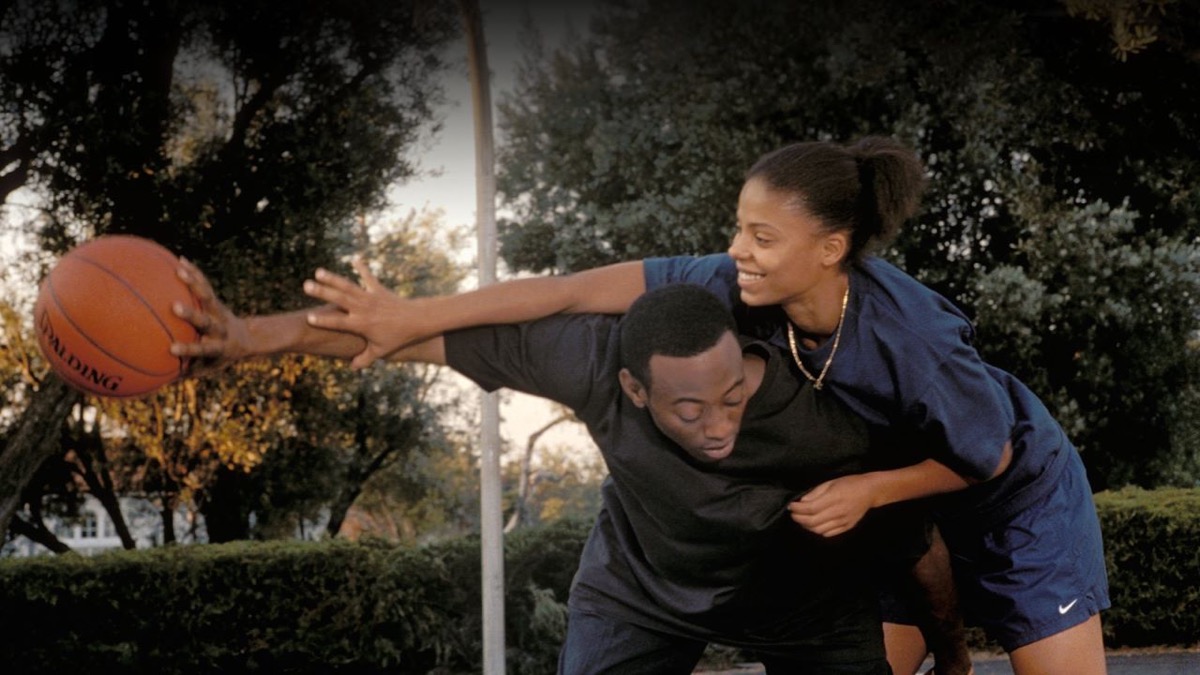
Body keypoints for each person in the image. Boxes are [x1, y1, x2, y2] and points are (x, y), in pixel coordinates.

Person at [290, 136, 1110, 675]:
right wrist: (416, 314)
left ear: (830, 250)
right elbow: (572, 291)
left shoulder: (915, 339)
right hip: (898, 493)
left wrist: (866, 489)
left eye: (761, 235)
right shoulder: (728, 284)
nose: (734, 249)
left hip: (1009, 492)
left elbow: (988, 455)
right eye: (738, 227)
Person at [172, 269, 924, 673]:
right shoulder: (589, 360)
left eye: (733, 396)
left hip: (802, 602)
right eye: (689, 410)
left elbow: (954, 478)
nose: (719, 425)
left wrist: (947, 638)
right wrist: (246, 337)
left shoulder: (828, 403)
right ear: (632, 388)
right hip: (642, 590)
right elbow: (396, 338)